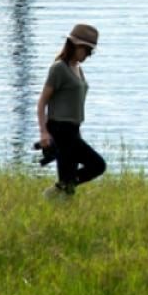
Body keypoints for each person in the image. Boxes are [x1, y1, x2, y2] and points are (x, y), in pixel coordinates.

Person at [35, 23, 105, 200]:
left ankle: (57, 197)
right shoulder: (59, 68)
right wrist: (44, 133)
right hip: (60, 129)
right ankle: (53, 193)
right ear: (75, 46)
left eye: (91, 52)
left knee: (68, 180)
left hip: (73, 129)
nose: (88, 55)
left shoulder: (78, 69)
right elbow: (42, 102)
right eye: (87, 51)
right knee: (97, 165)